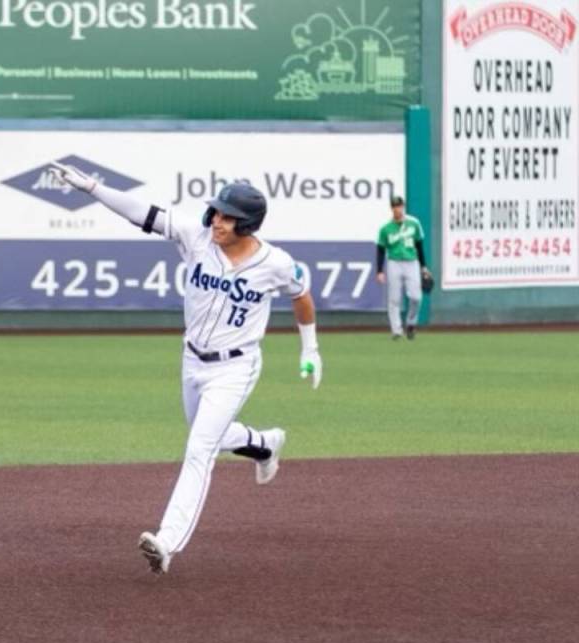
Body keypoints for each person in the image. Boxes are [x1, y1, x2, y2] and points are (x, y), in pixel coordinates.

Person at [49, 161, 322, 575]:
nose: (217, 220)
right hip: (192, 359)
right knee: (208, 434)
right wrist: (91, 187)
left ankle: (167, 542)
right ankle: (265, 444)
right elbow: (141, 211)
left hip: (236, 367)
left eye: (228, 216)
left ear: (247, 225)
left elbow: (301, 296)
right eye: (216, 211)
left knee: (199, 449)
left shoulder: (276, 264)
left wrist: (311, 348)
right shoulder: (196, 237)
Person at [376, 196, 429, 340]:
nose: (397, 209)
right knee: (394, 298)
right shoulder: (385, 229)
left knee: (416, 297)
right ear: (391, 208)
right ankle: (396, 330)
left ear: (403, 206)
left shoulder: (414, 223)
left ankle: (411, 323)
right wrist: (379, 270)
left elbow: (419, 245)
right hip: (394, 262)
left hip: (412, 262)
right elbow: (381, 249)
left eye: (399, 206)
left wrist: (424, 266)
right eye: (395, 206)